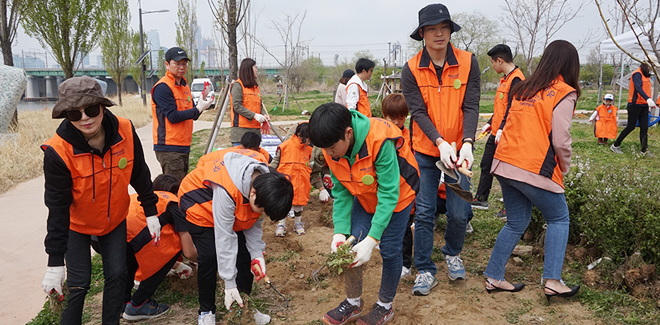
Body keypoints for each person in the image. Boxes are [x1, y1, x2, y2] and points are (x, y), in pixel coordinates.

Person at [41, 76, 161, 324]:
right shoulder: (58, 152)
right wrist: (54, 262)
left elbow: (139, 173)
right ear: (66, 115)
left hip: (114, 220)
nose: (85, 118)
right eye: (75, 114)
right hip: (77, 224)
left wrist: (150, 211)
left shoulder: (125, 131)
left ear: (103, 107)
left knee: (117, 274)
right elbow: (57, 208)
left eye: (92, 110)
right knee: (79, 284)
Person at [484, 40, 581, 301]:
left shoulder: (525, 87)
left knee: (516, 222)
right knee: (559, 218)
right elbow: (561, 139)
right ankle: (552, 281)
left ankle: (494, 277)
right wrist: (565, 165)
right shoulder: (564, 92)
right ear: (572, 64)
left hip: (504, 162)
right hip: (533, 167)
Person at [309, 103, 419, 325]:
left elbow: (389, 193)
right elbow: (341, 191)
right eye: (324, 149)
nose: (328, 154)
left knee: (389, 249)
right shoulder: (330, 148)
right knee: (349, 245)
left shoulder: (379, 141)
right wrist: (339, 232)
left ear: (348, 134)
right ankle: (353, 302)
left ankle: (385, 306)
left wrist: (372, 239)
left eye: (331, 148)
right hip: (364, 193)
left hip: (398, 196)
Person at [401, 3, 480, 295]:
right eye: (432, 29)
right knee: (423, 212)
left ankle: (452, 252)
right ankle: (424, 268)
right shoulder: (410, 69)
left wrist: (467, 143)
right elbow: (418, 112)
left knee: (460, 212)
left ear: (450, 30)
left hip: (460, 152)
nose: (439, 34)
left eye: (444, 28)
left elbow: (471, 105)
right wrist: (439, 141)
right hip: (425, 149)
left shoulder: (469, 62)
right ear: (422, 33)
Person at [178, 147, 293, 325]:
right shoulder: (227, 190)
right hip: (198, 203)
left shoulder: (265, 184)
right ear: (253, 194)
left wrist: (256, 254)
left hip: (233, 204)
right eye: (262, 209)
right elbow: (225, 237)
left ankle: (243, 306)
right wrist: (229, 282)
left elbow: (254, 221)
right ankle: (207, 311)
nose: (261, 213)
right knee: (209, 256)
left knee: (244, 254)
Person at [123, 174, 198, 321]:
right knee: (171, 248)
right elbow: (188, 251)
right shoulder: (174, 204)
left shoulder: (146, 196)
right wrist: (207, 260)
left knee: (130, 260)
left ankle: (123, 301)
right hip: (134, 234)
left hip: (110, 235)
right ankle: (138, 304)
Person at [472, 44, 525, 210]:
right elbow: (501, 108)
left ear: (500, 60)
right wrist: (490, 123)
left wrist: (502, 128)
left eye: (493, 62)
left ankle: (511, 207)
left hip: (507, 134)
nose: (492, 65)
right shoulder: (506, 79)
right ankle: (481, 198)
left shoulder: (516, 79)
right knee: (487, 164)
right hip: (497, 132)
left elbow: (513, 108)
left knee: (506, 171)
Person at [152, 47, 214, 182]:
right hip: (169, 146)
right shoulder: (163, 87)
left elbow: (193, 115)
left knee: (182, 185)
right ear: (167, 64)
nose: (182, 67)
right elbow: (173, 117)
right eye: (177, 63)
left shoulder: (184, 86)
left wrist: (201, 104)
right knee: (175, 188)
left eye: (184, 64)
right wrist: (197, 109)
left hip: (183, 145)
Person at [270, 122, 313, 236]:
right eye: (309, 137)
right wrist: (269, 171)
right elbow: (276, 161)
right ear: (301, 135)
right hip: (287, 180)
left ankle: (298, 223)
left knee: (299, 203)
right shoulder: (285, 146)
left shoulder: (308, 149)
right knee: (284, 203)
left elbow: (309, 164)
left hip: (302, 181)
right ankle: (281, 224)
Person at [611, 62, 656, 155]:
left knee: (644, 128)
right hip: (635, 105)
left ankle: (644, 150)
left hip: (644, 105)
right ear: (647, 65)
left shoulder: (646, 75)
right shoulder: (637, 74)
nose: (652, 68)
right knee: (631, 126)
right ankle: (615, 145)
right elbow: (638, 88)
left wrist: (648, 101)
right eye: (652, 66)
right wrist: (648, 99)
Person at [230, 58, 270, 146]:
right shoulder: (238, 86)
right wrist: (254, 116)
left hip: (255, 132)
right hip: (241, 132)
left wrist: (263, 115)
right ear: (248, 70)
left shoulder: (255, 87)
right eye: (255, 68)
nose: (257, 70)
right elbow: (237, 106)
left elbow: (259, 106)